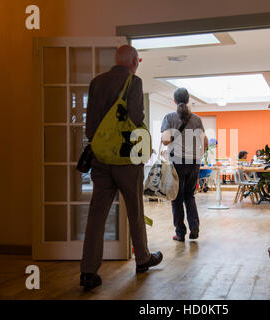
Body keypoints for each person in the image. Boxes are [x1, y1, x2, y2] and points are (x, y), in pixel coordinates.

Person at [80, 45, 162, 290]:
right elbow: (136, 119)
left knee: (97, 214)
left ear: (116, 60)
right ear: (135, 61)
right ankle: (143, 259)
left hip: (101, 157)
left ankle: (88, 272)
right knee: (134, 210)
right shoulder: (133, 82)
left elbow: (90, 124)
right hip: (127, 158)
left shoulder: (96, 82)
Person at [161, 88, 208, 242]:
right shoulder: (197, 119)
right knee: (189, 196)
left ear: (174, 101)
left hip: (177, 162)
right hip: (194, 162)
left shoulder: (169, 118)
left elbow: (166, 140)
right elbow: (205, 142)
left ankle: (180, 233)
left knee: (176, 198)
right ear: (188, 100)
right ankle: (194, 228)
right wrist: (199, 155)